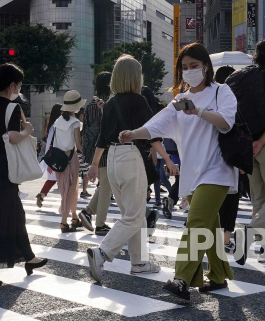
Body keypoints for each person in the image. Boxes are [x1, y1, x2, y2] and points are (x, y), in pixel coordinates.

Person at [117, 44, 236, 298]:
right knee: (209, 227)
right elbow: (157, 124)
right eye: (184, 67)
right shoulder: (179, 99)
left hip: (217, 169)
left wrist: (200, 111)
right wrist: (134, 134)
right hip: (192, 173)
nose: (189, 71)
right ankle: (217, 275)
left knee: (196, 224)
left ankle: (182, 279)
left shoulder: (221, 91)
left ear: (206, 66)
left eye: (194, 66)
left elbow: (227, 122)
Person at [86, 56, 175, 283]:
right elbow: (151, 134)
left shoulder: (112, 103)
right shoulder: (138, 100)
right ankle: (102, 252)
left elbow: (102, 138)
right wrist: (168, 159)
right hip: (130, 157)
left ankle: (139, 262)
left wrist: (94, 165)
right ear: (136, 77)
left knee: (133, 215)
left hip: (112, 159)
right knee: (134, 216)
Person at [0, 64, 47, 286]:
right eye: (20, 85)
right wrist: (28, 131)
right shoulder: (12, 108)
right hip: (3, 171)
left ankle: (29, 257)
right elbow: (14, 137)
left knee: (15, 214)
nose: (20, 89)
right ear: (13, 85)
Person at [226, 39, 265, 262]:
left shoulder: (241, 77)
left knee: (259, 199)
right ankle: (247, 235)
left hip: (247, 147)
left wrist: (249, 144)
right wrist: (262, 141)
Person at [78, 72, 113, 235]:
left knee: (106, 184)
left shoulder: (90, 105)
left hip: (94, 150)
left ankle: (88, 212)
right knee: (106, 186)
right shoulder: (105, 104)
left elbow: (86, 131)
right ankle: (100, 223)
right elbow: (105, 128)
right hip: (104, 149)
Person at [213, 66, 240, 255]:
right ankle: (226, 240)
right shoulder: (231, 99)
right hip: (230, 158)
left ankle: (216, 241)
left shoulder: (210, 97)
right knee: (231, 200)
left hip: (209, 160)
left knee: (214, 204)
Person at [52, 90, 87, 232]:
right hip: (70, 157)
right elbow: (78, 145)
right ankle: (64, 222)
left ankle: (73, 217)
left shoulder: (57, 121)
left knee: (65, 188)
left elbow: (54, 141)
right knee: (71, 188)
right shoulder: (75, 123)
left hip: (57, 157)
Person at [36, 103, 63, 208]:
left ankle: (42, 194)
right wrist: (50, 162)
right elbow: (52, 144)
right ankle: (64, 203)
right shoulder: (56, 126)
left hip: (52, 156)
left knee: (53, 179)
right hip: (56, 156)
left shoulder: (51, 126)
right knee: (62, 180)